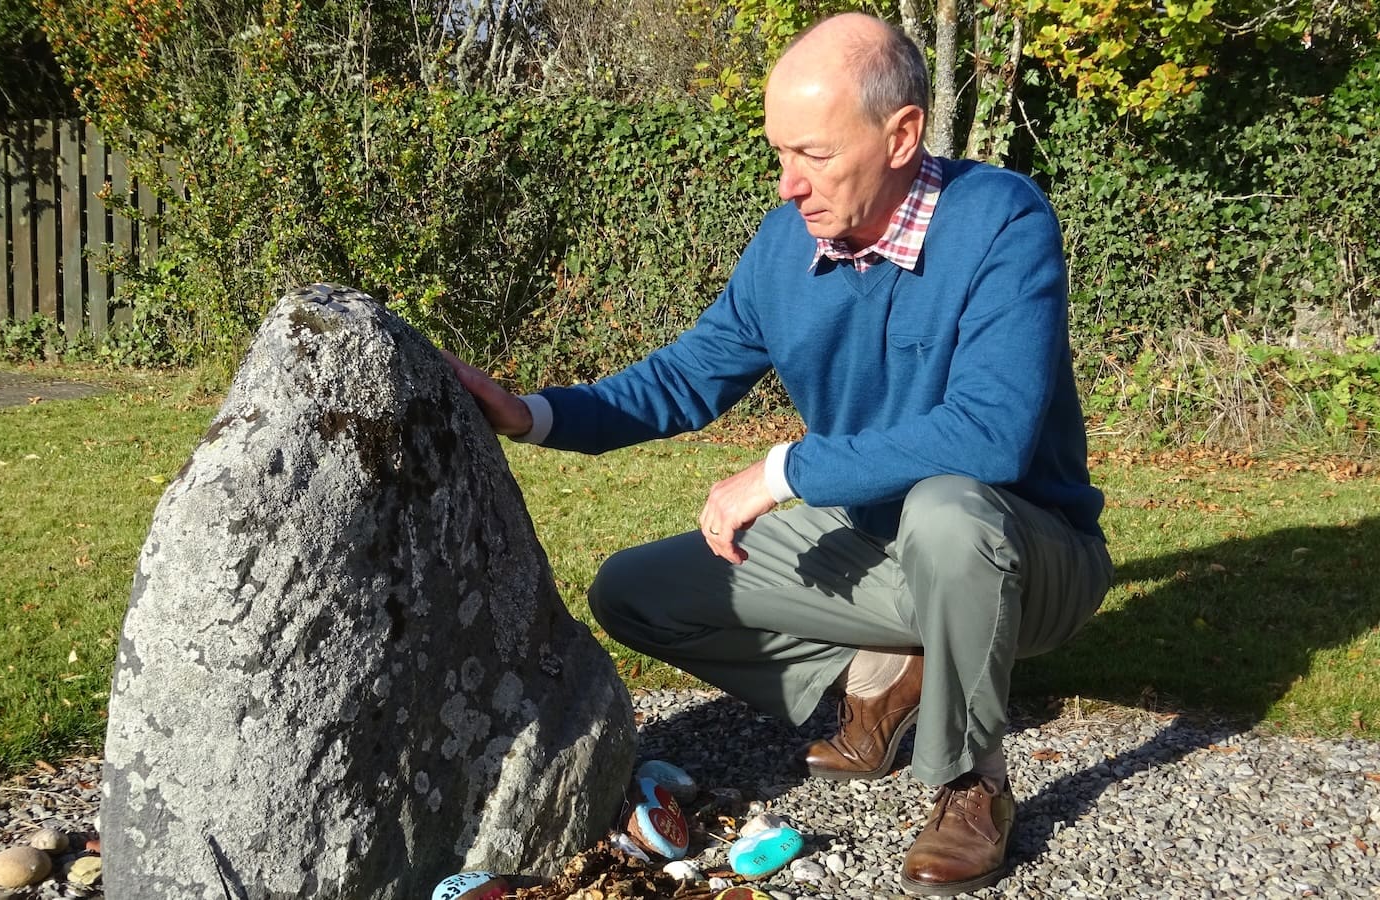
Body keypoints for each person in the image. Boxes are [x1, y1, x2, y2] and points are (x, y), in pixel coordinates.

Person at [446, 11, 1113, 896]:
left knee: (948, 511)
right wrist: (531, 414)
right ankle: (871, 690)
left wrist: (782, 472)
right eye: (780, 155)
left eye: (815, 154)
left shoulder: (999, 222)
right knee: (634, 593)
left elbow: (989, 434)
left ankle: (967, 780)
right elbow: (685, 378)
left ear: (902, 134)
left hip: (1030, 560)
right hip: (878, 548)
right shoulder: (785, 245)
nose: (790, 184)